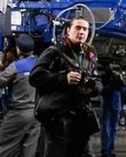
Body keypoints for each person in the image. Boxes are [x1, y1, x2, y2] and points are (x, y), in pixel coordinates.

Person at [29, 18, 101, 157]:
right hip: (57, 118)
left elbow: (98, 81)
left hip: (81, 119)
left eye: (85, 29)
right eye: (78, 28)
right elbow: (35, 77)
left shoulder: (89, 55)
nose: (82, 32)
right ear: (68, 30)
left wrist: (93, 87)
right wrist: (63, 78)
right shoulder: (54, 52)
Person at [0, 34, 41, 157]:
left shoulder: (16, 66)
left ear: (18, 50)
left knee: (4, 148)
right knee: (29, 152)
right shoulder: (41, 63)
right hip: (36, 115)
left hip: (18, 115)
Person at [100, 63, 125, 157]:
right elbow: (102, 89)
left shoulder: (117, 75)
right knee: (106, 127)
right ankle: (105, 149)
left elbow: (123, 88)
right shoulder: (104, 76)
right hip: (108, 100)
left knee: (113, 127)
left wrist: (118, 82)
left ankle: (110, 148)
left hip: (115, 101)